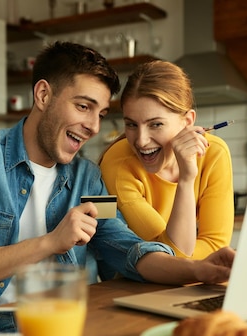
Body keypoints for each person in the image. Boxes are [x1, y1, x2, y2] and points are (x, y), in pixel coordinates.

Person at [0, 42, 234, 325]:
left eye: (101, 114)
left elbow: (128, 250)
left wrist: (198, 270)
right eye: (83, 106)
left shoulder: (87, 178)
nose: (92, 126)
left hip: (65, 327)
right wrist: (51, 242)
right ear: (44, 94)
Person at [99, 60, 234, 259]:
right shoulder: (117, 163)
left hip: (190, 280)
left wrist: (191, 266)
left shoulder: (214, 154)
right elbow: (169, 254)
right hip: (131, 284)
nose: (142, 141)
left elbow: (215, 244)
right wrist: (186, 181)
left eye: (156, 124)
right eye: (131, 125)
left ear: (187, 121)